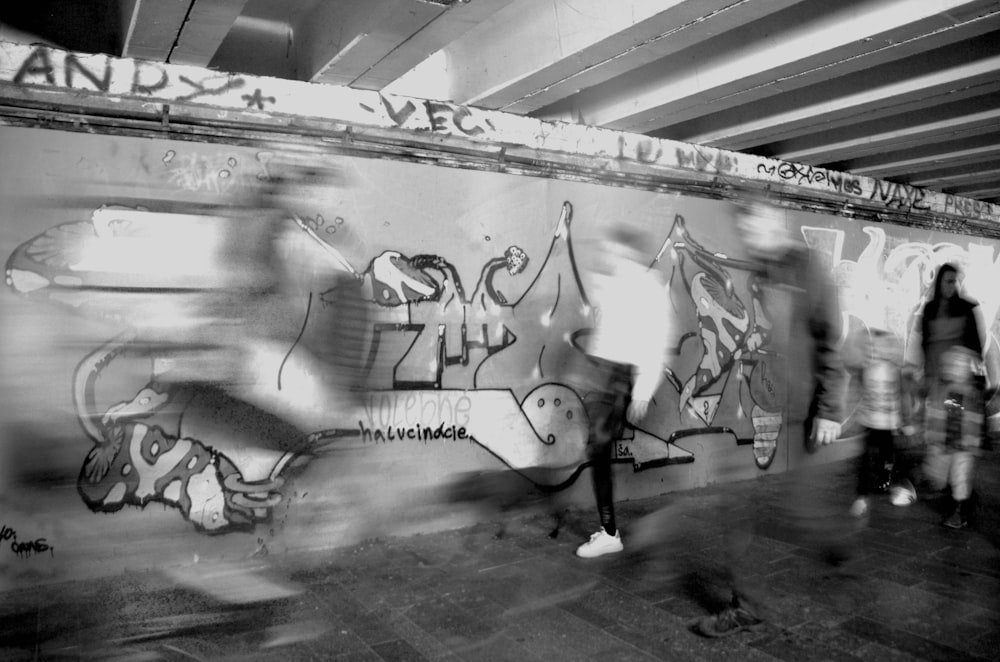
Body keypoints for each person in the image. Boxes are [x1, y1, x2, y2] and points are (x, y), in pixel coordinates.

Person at [695, 197, 845, 637]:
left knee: (803, 511)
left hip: (804, 413)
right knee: (736, 502)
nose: (749, 238)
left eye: (755, 228)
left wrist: (830, 408)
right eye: (744, 232)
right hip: (765, 405)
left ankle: (841, 545)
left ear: (776, 224)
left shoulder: (809, 269)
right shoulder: (763, 271)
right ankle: (748, 605)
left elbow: (829, 336)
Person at [574, 226, 672, 559]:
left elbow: (656, 343)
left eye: (611, 249)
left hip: (618, 377)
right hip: (604, 374)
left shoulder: (648, 287)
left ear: (626, 251)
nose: (606, 255)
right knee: (597, 451)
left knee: (599, 449)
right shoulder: (610, 283)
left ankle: (610, 533)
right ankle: (608, 530)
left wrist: (642, 391)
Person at [915, 263, 985, 527]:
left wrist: (973, 378)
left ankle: (958, 497)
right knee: (942, 432)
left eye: (955, 281)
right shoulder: (930, 310)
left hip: (957, 385)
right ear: (939, 282)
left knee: (954, 435)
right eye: (947, 281)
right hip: (937, 379)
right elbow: (924, 345)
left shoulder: (966, 308)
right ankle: (954, 490)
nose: (952, 285)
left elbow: (975, 345)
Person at [843, 316, 916, 518]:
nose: (876, 352)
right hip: (869, 423)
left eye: (881, 348)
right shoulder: (865, 369)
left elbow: (903, 398)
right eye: (872, 348)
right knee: (865, 460)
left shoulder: (895, 372)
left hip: (889, 425)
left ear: (890, 350)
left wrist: (907, 422)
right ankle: (861, 497)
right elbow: (853, 376)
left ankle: (892, 483)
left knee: (889, 457)